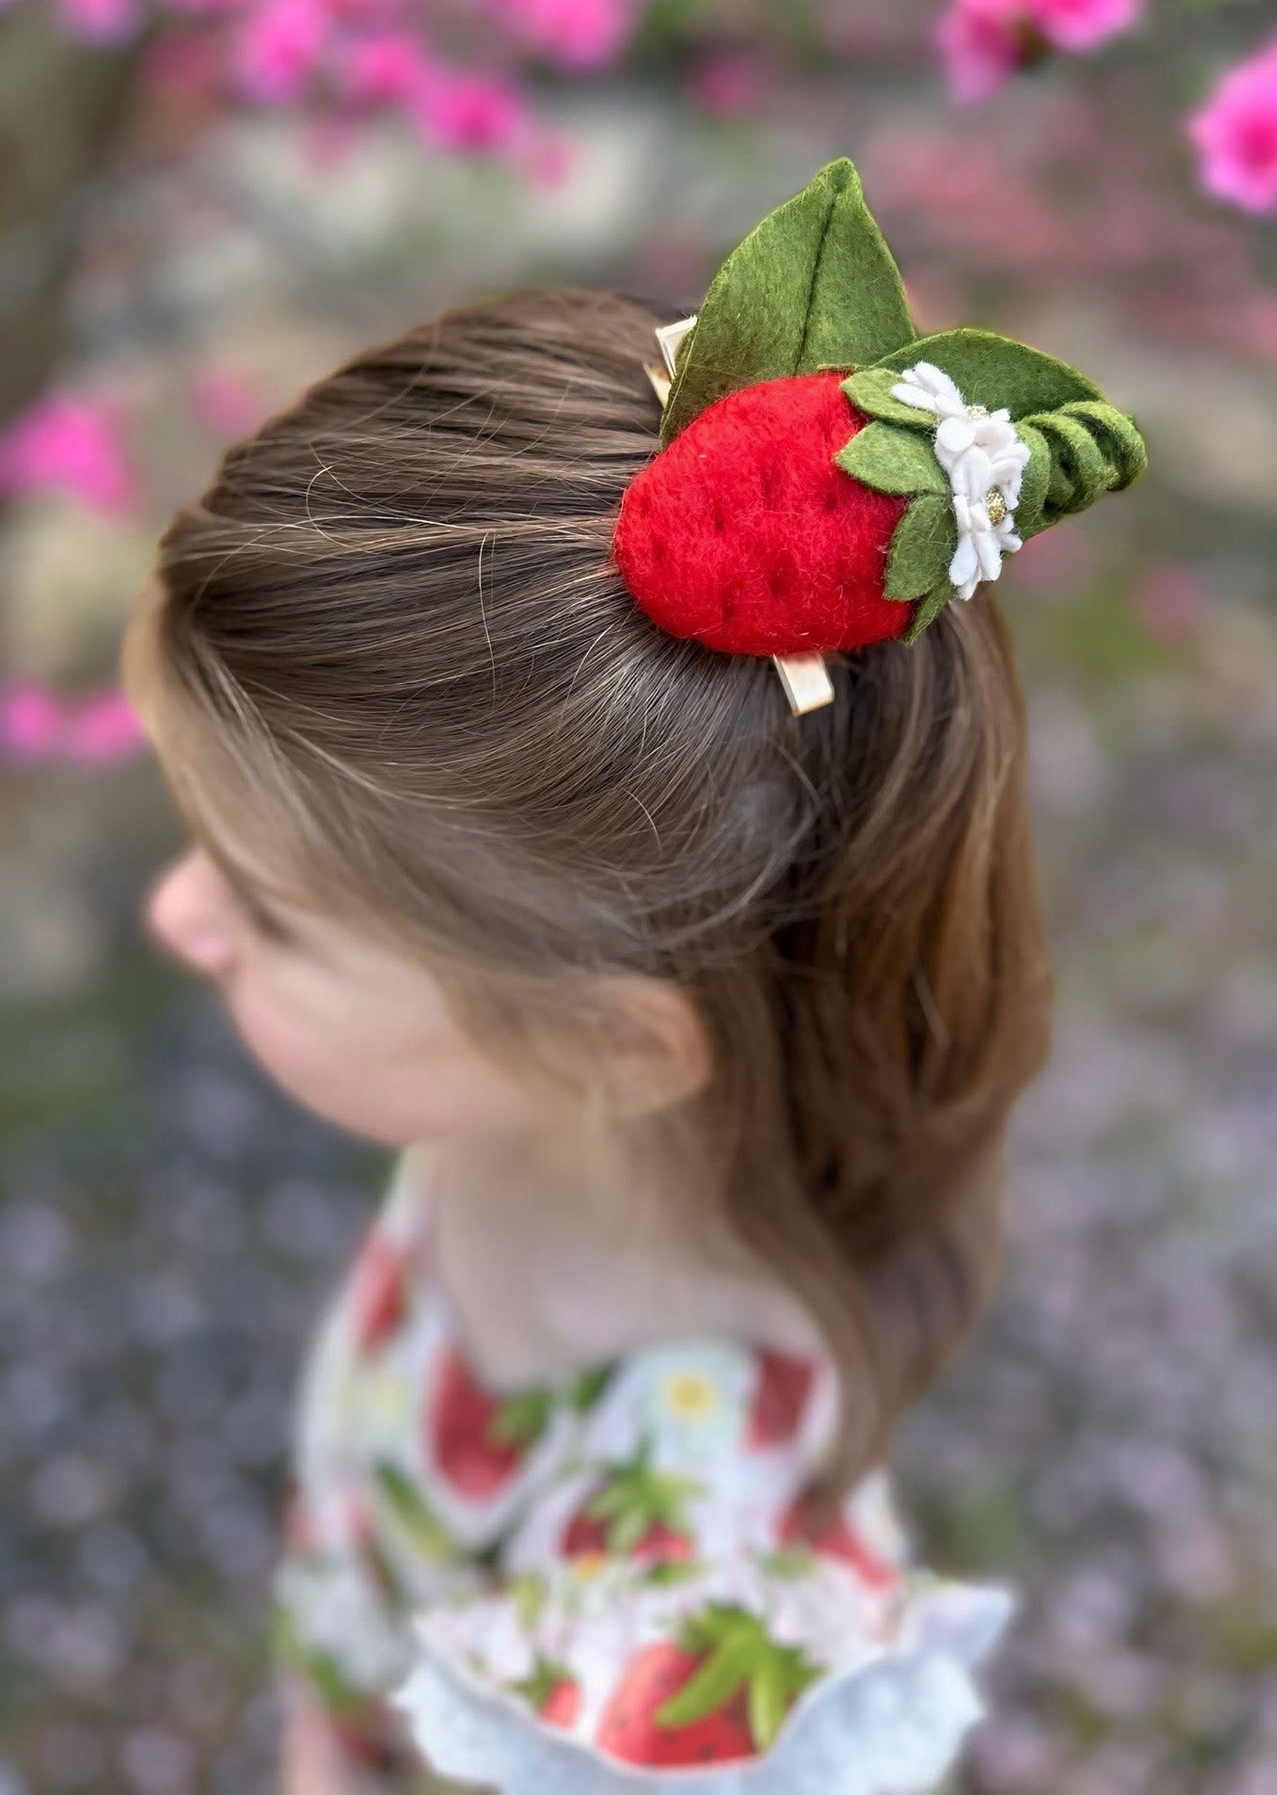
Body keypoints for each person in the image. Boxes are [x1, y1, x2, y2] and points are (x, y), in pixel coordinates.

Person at [123, 158, 1146, 1793]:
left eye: (269, 912)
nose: (176, 918)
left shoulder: (690, 1637)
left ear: (610, 1042)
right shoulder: (519, 1097)